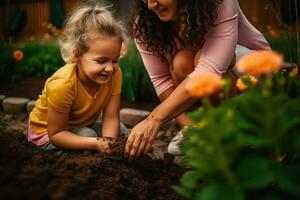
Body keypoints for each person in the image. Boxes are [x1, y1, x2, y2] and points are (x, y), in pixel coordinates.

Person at [125, 0, 271, 160]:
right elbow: (162, 81)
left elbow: (209, 72)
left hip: (254, 74)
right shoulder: (145, 22)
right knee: (182, 61)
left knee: (204, 59)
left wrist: (154, 119)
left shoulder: (220, 3)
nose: (151, 5)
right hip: (208, 79)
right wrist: (191, 128)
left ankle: (235, 129)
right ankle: (207, 130)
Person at [27, 0, 128, 153]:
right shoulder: (63, 84)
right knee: (89, 136)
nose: (109, 68)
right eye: (101, 60)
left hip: (78, 128)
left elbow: (111, 118)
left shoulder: (115, 74)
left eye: (115, 60)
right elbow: (56, 134)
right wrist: (95, 144)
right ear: (78, 54)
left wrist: (109, 147)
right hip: (47, 135)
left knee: (121, 131)